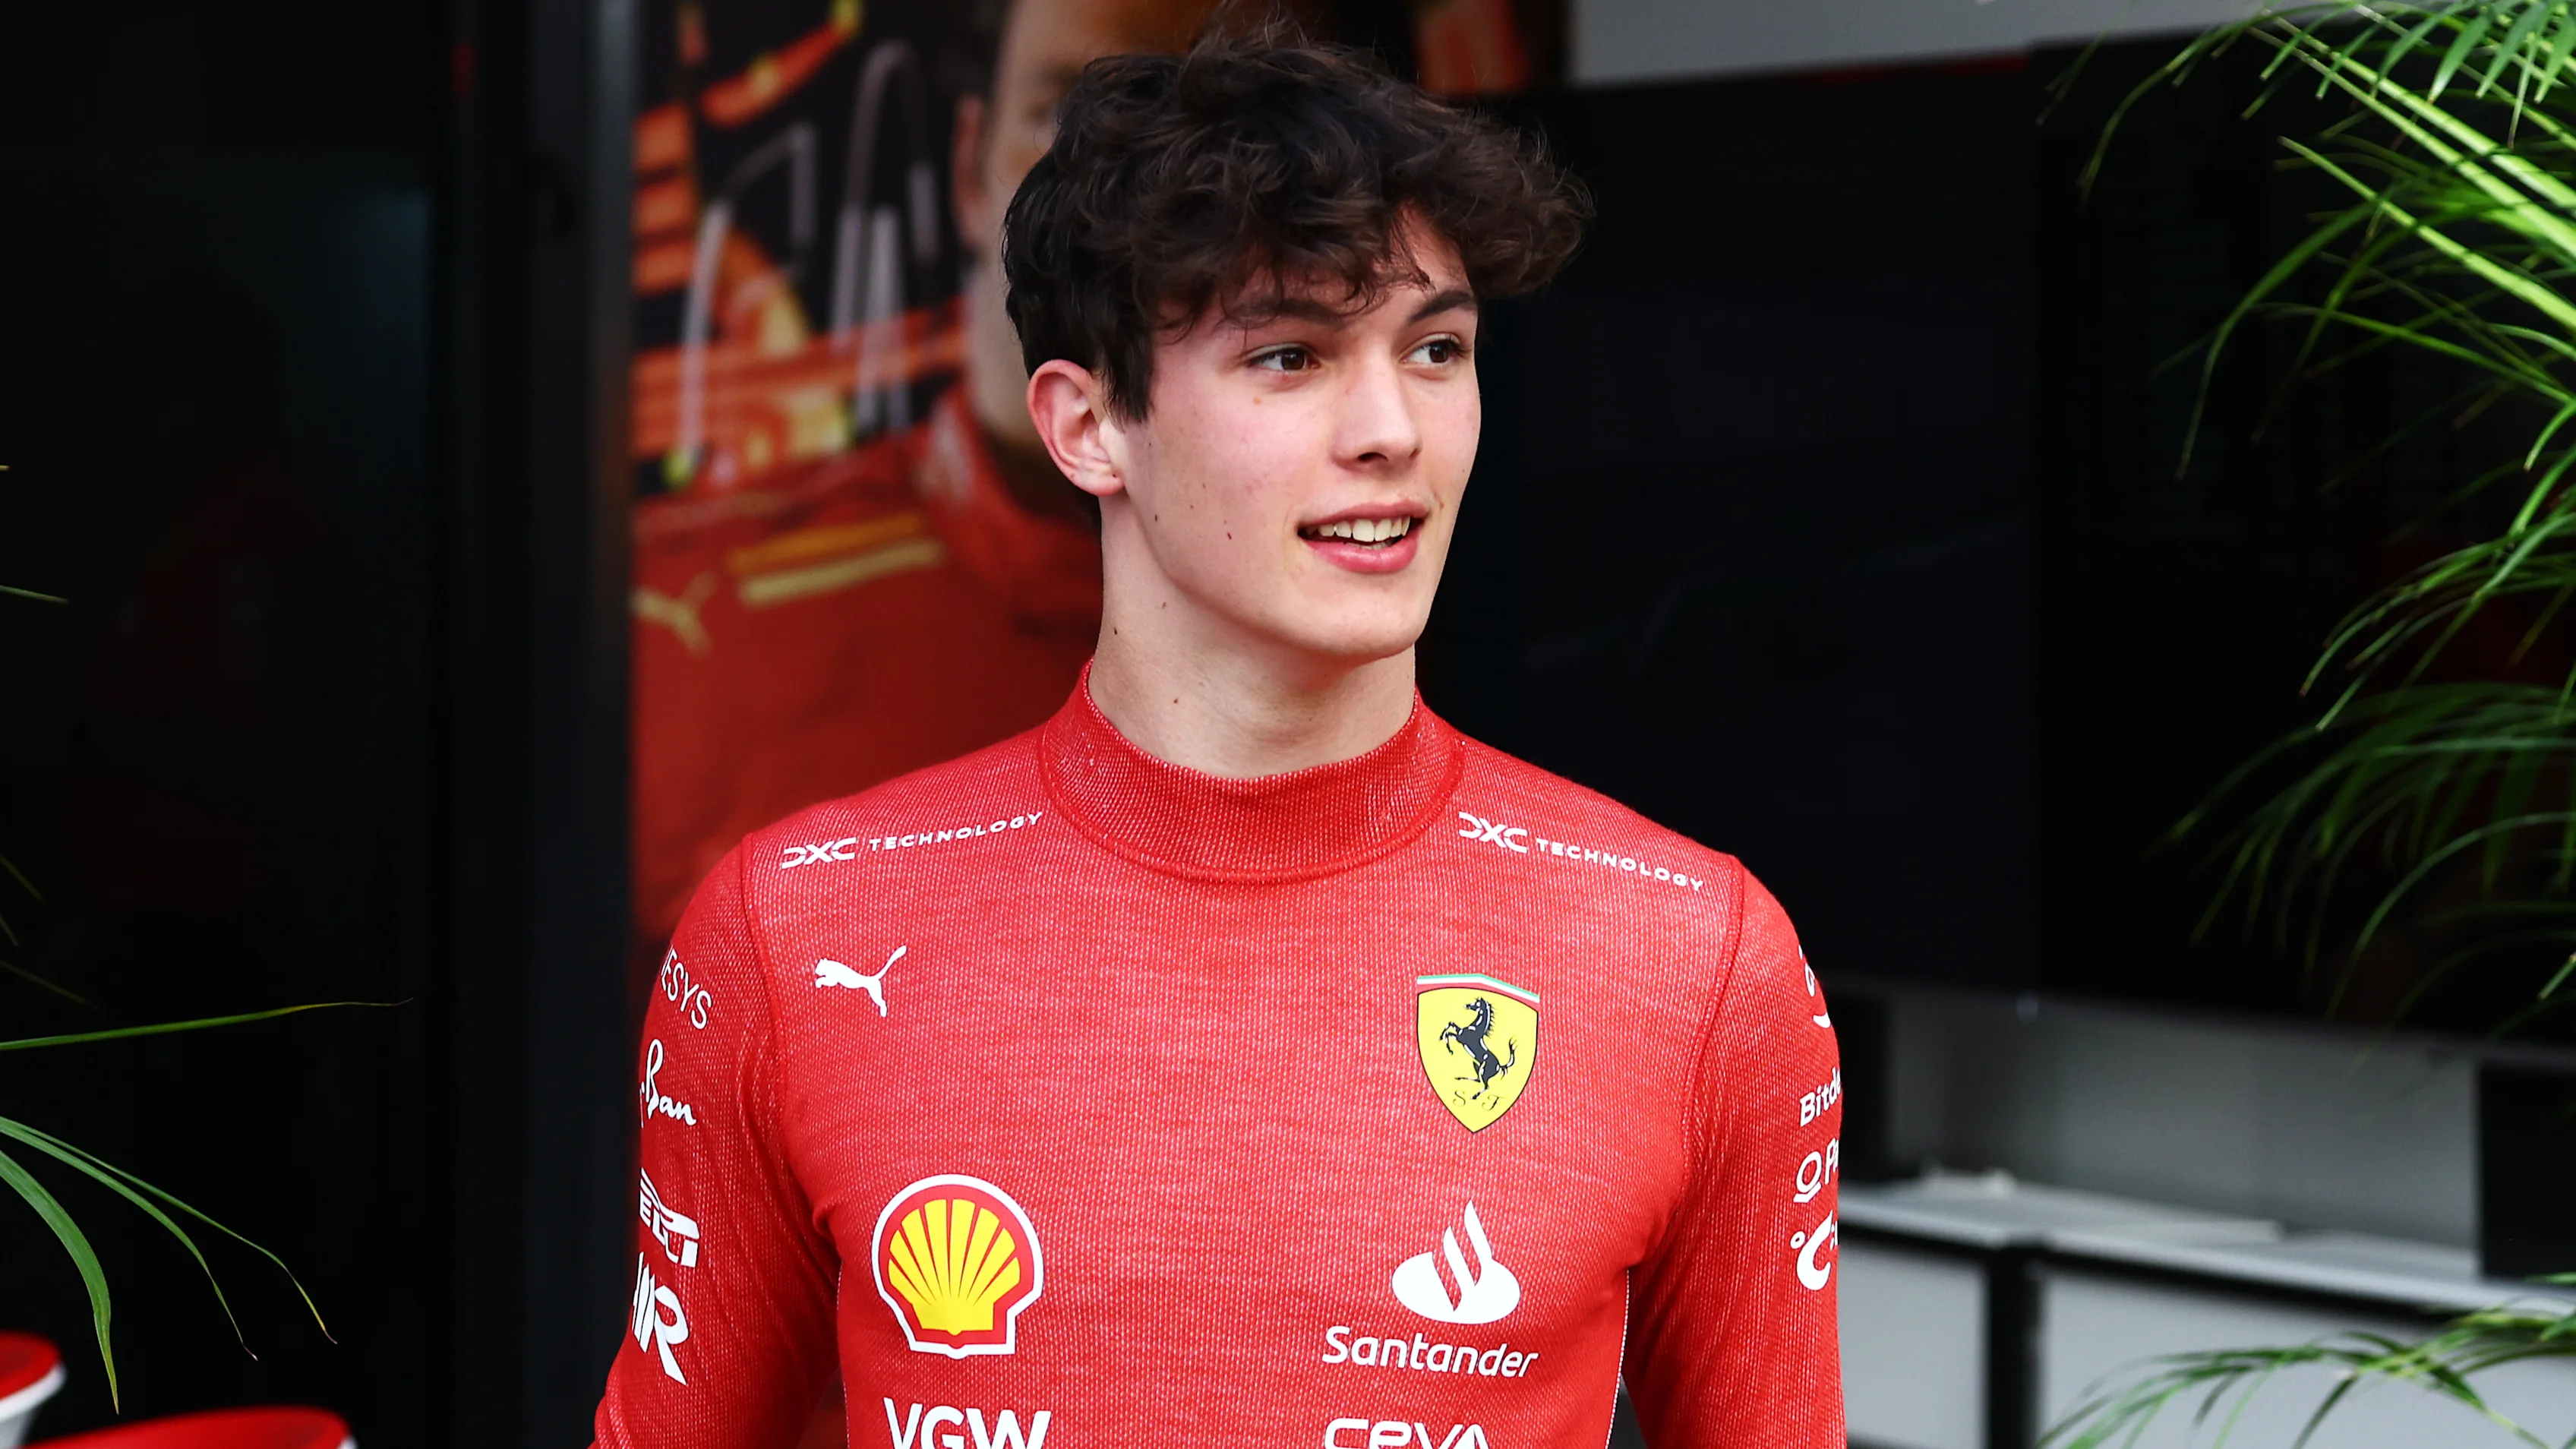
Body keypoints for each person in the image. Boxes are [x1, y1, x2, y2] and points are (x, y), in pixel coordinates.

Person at [595, 33, 1845, 1449]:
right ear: (1087, 427)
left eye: (1435, 349)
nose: (1392, 430)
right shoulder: (791, 932)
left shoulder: (1697, 956)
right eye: (1289, 354)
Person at [629, 0, 1305, 952]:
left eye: (1239, 133)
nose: (1154, 193)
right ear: (967, 168)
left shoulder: (1417, 609)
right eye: (1068, 115)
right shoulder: (684, 633)